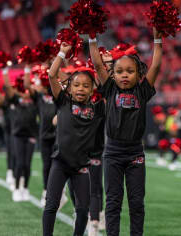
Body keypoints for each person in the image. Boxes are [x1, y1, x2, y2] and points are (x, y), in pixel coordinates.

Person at [89, 27, 162, 236]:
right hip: (112, 152)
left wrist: (158, 40)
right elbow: (96, 63)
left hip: (135, 154)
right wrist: (91, 36)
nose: (124, 75)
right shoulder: (110, 89)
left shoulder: (142, 90)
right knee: (112, 202)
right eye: (120, 71)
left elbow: (156, 65)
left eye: (130, 71)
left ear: (139, 73)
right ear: (113, 73)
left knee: (137, 203)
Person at [42, 43, 105, 236]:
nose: (80, 88)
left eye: (86, 86)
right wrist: (62, 52)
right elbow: (52, 75)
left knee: (83, 210)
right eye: (76, 84)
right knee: (51, 205)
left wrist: (97, 56)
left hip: (81, 167)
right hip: (60, 163)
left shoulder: (97, 109)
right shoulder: (63, 102)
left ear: (93, 89)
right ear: (69, 87)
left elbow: (107, 87)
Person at [23, 65, 58, 207]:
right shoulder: (39, 97)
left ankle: (57, 192)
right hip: (44, 135)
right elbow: (27, 85)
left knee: (57, 166)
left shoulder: (56, 93)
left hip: (57, 135)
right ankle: (46, 191)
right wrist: (27, 67)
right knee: (46, 165)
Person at [2, 69, 39, 202]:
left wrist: (29, 70)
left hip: (31, 134)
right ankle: (17, 189)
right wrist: (5, 72)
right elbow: (8, 88)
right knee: (19, 163)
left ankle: (25, 188)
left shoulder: (35, 100)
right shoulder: (16, 99)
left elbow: (31, 87)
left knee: (27, 164)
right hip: (17, 134)